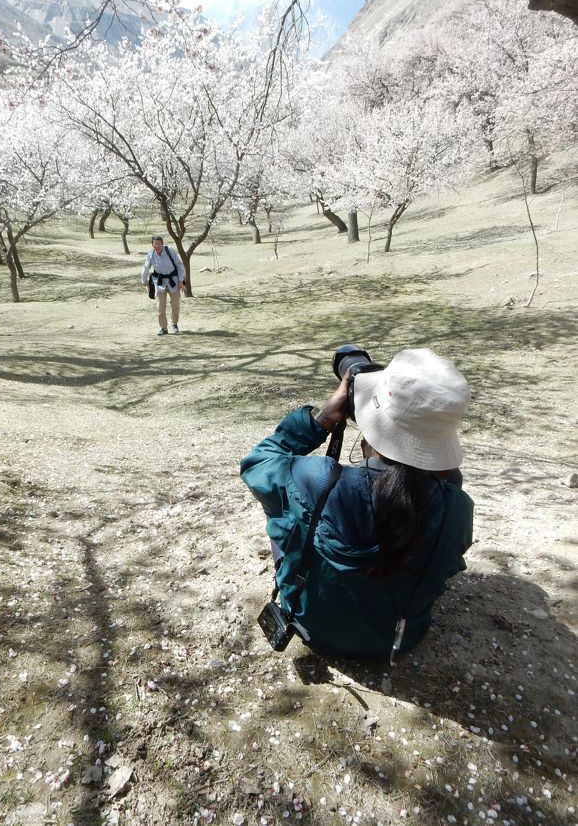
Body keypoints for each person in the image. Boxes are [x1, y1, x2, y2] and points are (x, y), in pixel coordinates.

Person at [240, 348, 474, 659]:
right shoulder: (455, 507)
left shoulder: (315, 481)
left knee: (287, 509)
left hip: (312, 625)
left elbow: (256, 465)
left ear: (370, 422)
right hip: (398, 639)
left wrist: (321, 419)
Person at [141, 235, 186, 336]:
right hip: (159, 283)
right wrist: (144, 280)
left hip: (173, 281)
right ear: (152, 245)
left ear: (162, 243)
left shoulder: (170, 251)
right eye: (154, 244)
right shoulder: (151, 254)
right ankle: (163, 328)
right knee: (160, 307)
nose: (157, 246)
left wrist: (181, 281)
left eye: (158, 244)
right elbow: (146, 267)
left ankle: (174, 323)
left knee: (175, 305)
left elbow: (179, 265)